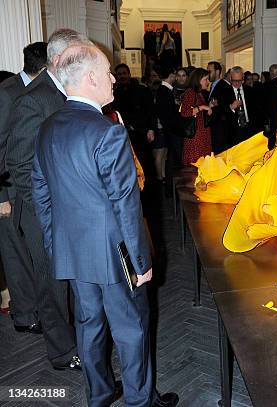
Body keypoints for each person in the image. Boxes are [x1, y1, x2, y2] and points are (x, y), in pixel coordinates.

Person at [32, 43, 178, 407]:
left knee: (89, 327)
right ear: (91, 78)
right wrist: (141, 264)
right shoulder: (107, 132)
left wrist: (56, 247)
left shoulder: (47, 127)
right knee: (131, 330)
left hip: (74, 252)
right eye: (109, 71)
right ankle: (139, 402)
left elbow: (41, 196)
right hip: (116, 255)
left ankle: (98, 397)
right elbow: (126, 205)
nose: (114, 78)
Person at [7, 28, 86, 370]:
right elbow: (19, 164)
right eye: (76, 56)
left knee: (71, 280)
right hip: (43, 212)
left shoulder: (71, 89)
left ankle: (81, 341)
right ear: (57, 60)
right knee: (52, 283)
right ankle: (62, 352)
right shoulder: (33, 98)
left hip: (70, 207)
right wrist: (49, 208)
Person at [0, 41, 47, 327]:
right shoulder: (7, 93)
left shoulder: (38, 90)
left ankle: (35, 310)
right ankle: (25, 316)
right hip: (9, 190)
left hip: (29, 186)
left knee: (31, 255)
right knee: (15, 255)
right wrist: (1, 196)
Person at [180, 68, 213, 164]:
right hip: (195, 137)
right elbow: (185, 112)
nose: (208, 82)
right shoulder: (190, 92)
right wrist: (202, 107)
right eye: (205, 79)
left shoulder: (199, 93)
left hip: (201, 135)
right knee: (195, 165)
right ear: (198, 80)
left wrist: (208, 107)